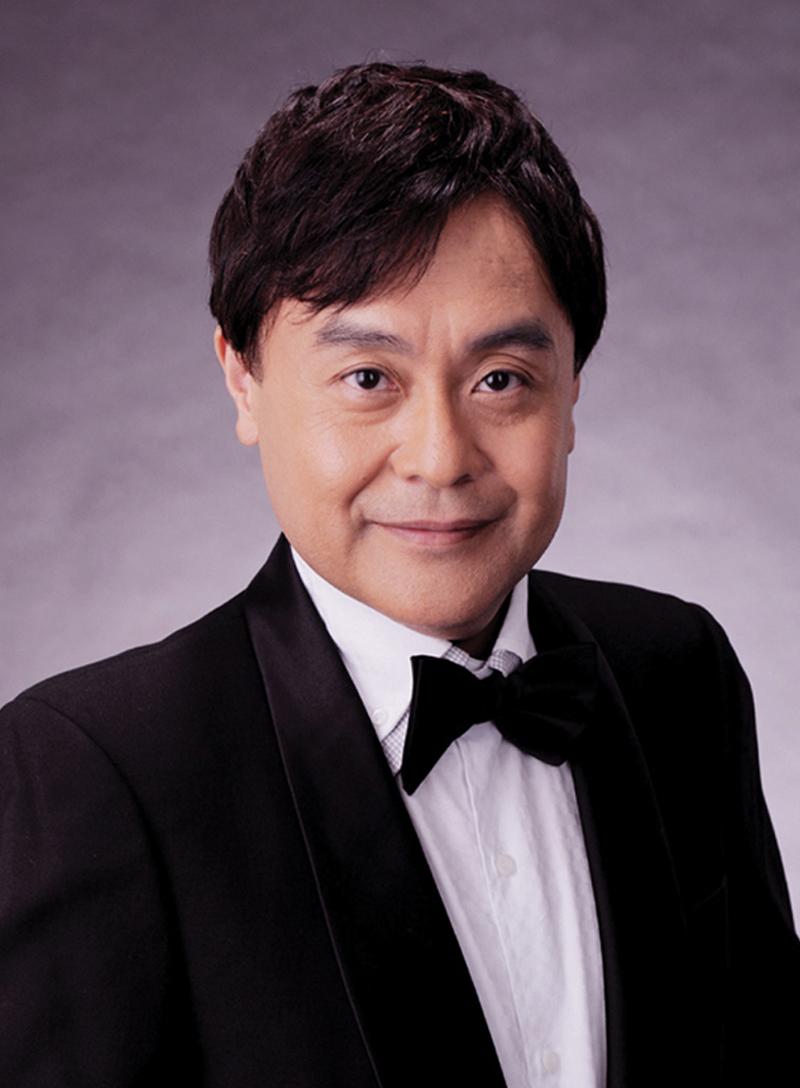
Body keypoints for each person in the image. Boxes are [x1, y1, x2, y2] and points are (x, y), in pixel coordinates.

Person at [0, 62, 797, 1088]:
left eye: (500, 379)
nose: (439, 457)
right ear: (243, 379)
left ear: (571, 390)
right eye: (368, 377)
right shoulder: (88, 771)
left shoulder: (677, 671)